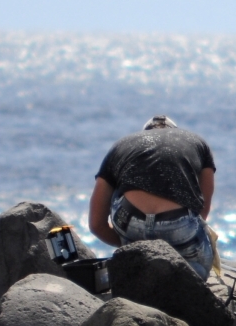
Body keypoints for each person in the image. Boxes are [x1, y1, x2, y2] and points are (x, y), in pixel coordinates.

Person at [89, 115, 216, 280]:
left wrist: (131, 247)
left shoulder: (122, 145)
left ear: (145, 133)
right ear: (175, 132)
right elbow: (202, 213)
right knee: (200, 259)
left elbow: (96, 223)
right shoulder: (198, 142)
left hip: (131, 220)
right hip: (178, 223)